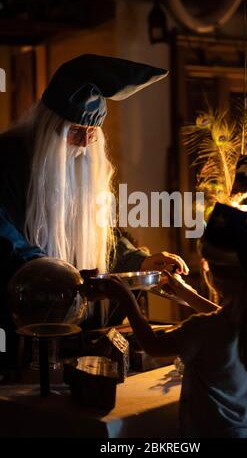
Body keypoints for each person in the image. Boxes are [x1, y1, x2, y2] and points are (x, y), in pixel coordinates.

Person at [0, 54, 188, 370]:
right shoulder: (7, 160)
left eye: (93, 133)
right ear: (53, 127)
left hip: (69, 320)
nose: (86, 144)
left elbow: (97, 230)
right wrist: (52, 273)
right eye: (77, 131)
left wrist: (139, 261)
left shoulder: (77, 162)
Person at [99, 202, 247, 438]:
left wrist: (125, 297)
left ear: (214, 274)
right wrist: (186, 293)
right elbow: (223, 320)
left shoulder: (202, 329)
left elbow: (153, 346)